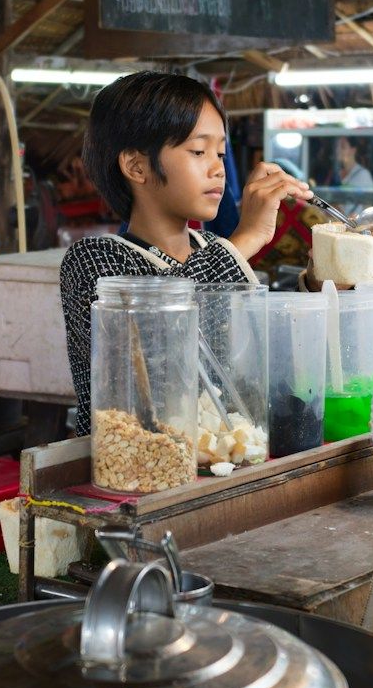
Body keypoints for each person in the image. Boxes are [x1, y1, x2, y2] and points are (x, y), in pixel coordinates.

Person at [59, 72, 309, 435]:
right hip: (136, 472)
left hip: (224, 459)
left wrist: (323, 282)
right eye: (198, 151)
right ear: (136, 166)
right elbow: (162, 371)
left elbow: (262, 361)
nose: (218, 167)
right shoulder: (96, 262)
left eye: (220, 153)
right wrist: (248, 237)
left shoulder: (212, 251)